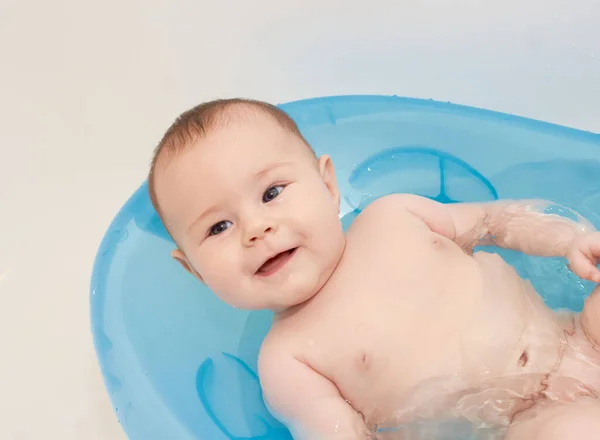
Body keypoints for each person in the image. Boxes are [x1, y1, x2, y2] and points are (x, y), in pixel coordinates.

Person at [148, 98, 600, 439]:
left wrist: (573, 241)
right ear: (195, 271)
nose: (256, 228)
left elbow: (496, 220)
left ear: (327, 184)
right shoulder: (289, 362)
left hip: (577, 334)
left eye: (271, 193)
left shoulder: (395, 215)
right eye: (219, 226)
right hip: (527, 418)